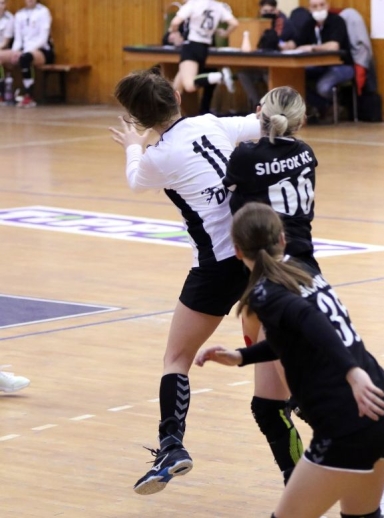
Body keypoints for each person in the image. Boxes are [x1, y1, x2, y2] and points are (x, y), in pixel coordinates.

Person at [223, 85, 384, 517]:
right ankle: (327, 480)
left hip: (280, 273)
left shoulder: (246, 158)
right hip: (305, 266)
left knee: (281, 398)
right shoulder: (306, 153)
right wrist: (242, 356)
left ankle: (342, 478)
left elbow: (311, 326)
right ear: (302, 122)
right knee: (270, 403)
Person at [195, 202, 384, 518]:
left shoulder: (265, 293)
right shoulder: (302, 270)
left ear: (237, 251)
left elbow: (310, 320)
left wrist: (352, 372)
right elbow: (296, 334)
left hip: (349, 420)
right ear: (282, 239)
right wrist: (242, 356)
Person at [108, 66, 262, 495]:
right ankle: (332, 426)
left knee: (176, 358)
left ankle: (171, 446)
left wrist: (135, 146)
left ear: (138, 118)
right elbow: (261, 122)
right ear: (177, 97)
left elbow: (135, 181)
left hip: (217, 267)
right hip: (259, 258)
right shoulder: (211, 123)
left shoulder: (157, 157)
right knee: (274, 358)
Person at [279, 0, 353, 123]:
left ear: (327, 6)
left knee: (323, 87)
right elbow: (297, 42)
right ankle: (325, 106)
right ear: (310, 9)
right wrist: (285, 46)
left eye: (322, 5)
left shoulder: (337, 21)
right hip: (318, 66)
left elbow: (334, 46)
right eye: (315, 6)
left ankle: (334, 105)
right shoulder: (309, 24)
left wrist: (312, 48)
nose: (319, 9)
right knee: (293, 80)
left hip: (341, 65)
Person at [169, 0, 239, 95]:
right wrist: (225, 33)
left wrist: (175, 32)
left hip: (191, 46)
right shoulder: (219, 6)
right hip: (204, 48)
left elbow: (175, 22)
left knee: (189, 85)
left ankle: (220, 76)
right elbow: (234, 23)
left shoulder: (193, 4)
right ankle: (170, 104)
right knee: (177, 87)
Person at [0, 0, 53, 108]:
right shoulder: (20, 14)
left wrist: (25, 51)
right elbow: (18, 39)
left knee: (26, 58)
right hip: (23, 49)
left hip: (41, 50)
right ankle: (1, 94)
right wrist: (15, 52)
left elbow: (43, 39)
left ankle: (29, 95)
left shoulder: (43, 11)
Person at [238, 0, 289, 109]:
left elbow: (291, 41)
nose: (268, 13)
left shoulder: (284, 23)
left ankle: (274, 108)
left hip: (278, 66)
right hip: (260, 64)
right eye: (265, 11)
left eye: (271, 11)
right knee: (243, 74)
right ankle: (258, 105)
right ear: (260, 10)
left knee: (269, 75)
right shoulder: (257, 24)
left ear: (276, 10)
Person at [162, 17, 217, 115]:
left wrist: (183, 39)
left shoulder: (201, 21)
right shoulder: (183, 20)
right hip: (189, 55)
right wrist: (172, 37)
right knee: (177, 87)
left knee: (188, 85)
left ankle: (218, 77)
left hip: (192, 54)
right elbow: (166, 38)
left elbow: (210, 40)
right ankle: (168, 114)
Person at [0, 0, 13, 105]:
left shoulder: (10, 18)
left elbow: (5, 42)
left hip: (4, 49)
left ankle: (1, 94)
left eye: (2, 3)